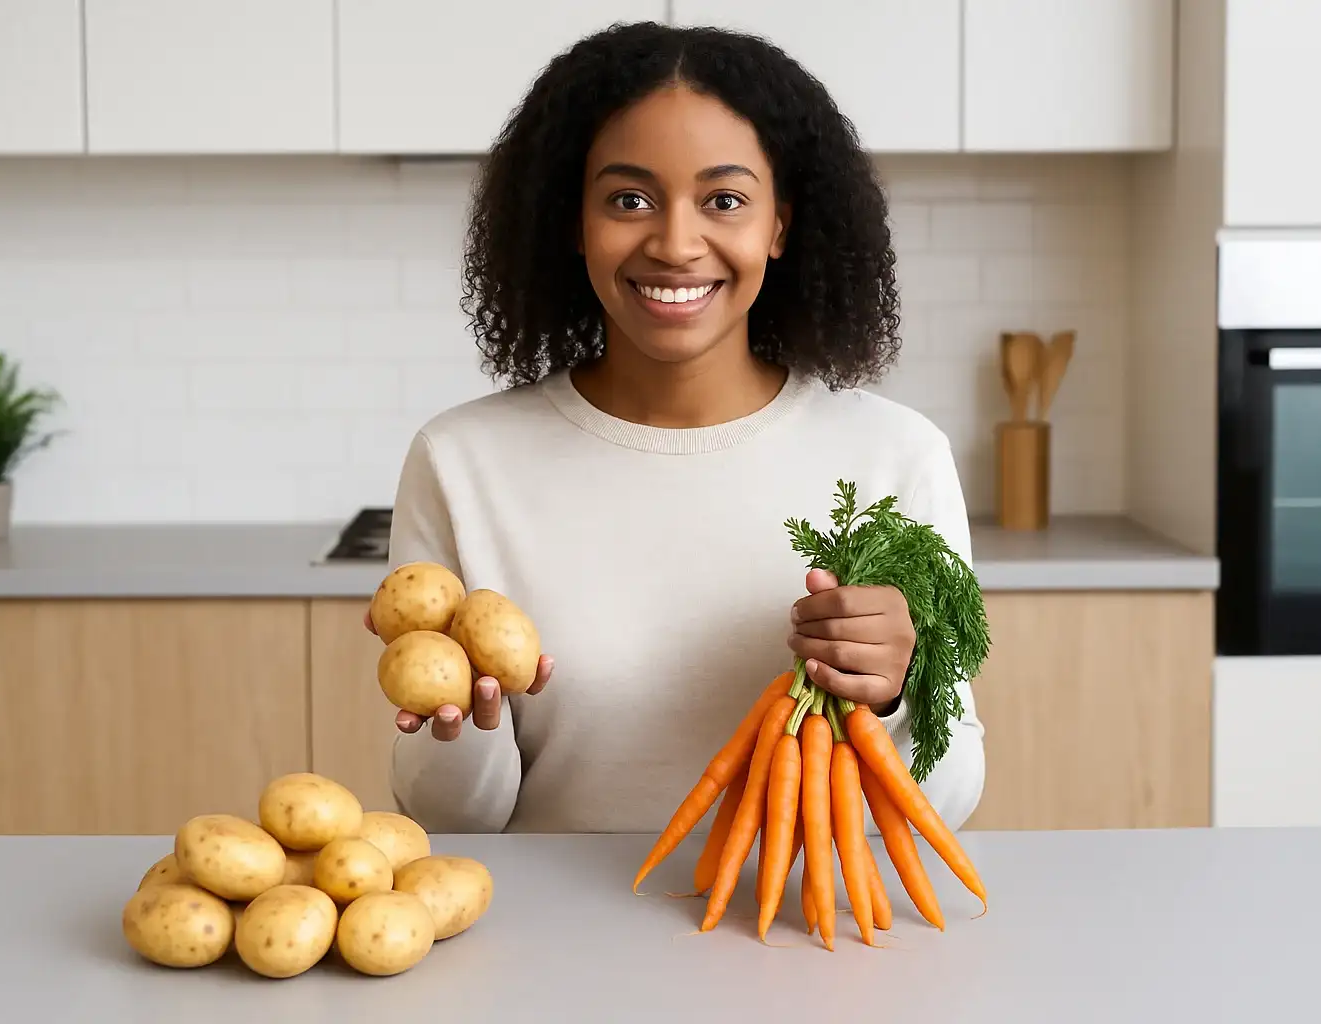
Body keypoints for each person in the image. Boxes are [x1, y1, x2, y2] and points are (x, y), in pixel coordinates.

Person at [367, 20, 986, 836]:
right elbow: (454, 820)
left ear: (780, 225)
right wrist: (463, 729)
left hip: (803, 940)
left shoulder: (897, 457)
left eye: (724, 200)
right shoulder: (460, 462)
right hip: (551, 948)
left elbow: (946, 802)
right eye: (630, 199)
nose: (675, 243)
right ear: (574, 222)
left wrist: (897, 693)